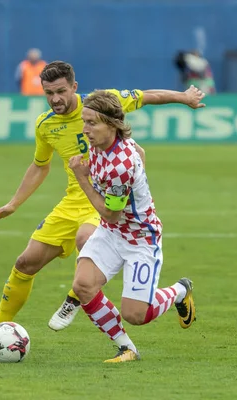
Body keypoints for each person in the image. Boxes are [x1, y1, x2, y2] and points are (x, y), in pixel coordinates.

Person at [0, 61, 205, 347]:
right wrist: (13, 204)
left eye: (61, 91)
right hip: (70, 202)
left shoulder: (101, 104)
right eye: (48, 93)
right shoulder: (45, 124)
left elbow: (146, 95)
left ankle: (75, 298)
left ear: (74, 87)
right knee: (25, 263)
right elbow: (40, 166)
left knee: (87, 238)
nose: (55, 99)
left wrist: (184, 97)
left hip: (99, 198)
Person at [68, 90, 195, 363]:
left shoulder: (119, 165)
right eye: (84, 121)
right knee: (83, 285)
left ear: (111, 124)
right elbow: (140, 152)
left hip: (139, 238)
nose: (85, 130)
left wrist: (82, 178)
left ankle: (179, 291)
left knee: (136, 315)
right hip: (111, 233)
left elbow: (110, 213)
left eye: (91, 123)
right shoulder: (104, 143)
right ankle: (127, 348)